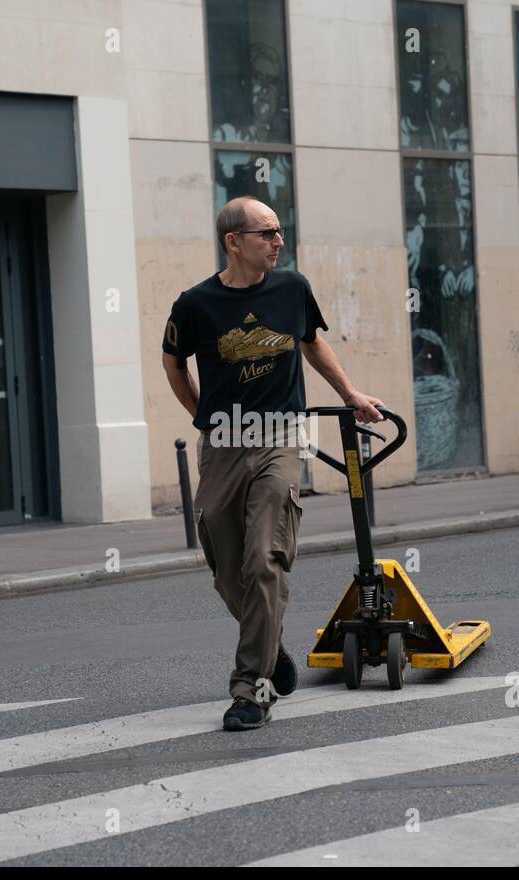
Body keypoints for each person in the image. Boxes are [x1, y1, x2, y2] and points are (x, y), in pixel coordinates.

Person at [162, 197, 383, 732]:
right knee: (224, 561)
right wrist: (205, 417)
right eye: (266, 234)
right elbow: (173, 362)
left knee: (265, 557)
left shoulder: (292, 289)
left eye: (279, 232)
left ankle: (250, 689)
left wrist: (349, 392)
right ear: (233, 241)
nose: (278, 241)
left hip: (280, 438)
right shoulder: (195, 304)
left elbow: (312, 344)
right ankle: (270, 645)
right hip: (223, 443)